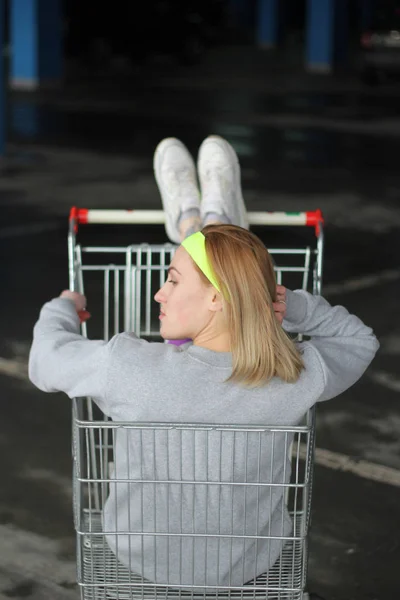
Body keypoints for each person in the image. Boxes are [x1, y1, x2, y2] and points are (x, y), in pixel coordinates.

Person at [28, 135, 379, 589]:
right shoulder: (291, 376)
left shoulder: (127, 366)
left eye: (171, 280)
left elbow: (43, 360)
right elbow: (359, 340)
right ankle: (207, 221)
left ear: (216, 297)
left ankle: (196, 221)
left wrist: (62, 307)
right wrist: (290, 305)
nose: (159, 293)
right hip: (248, 563)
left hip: (138, 556)